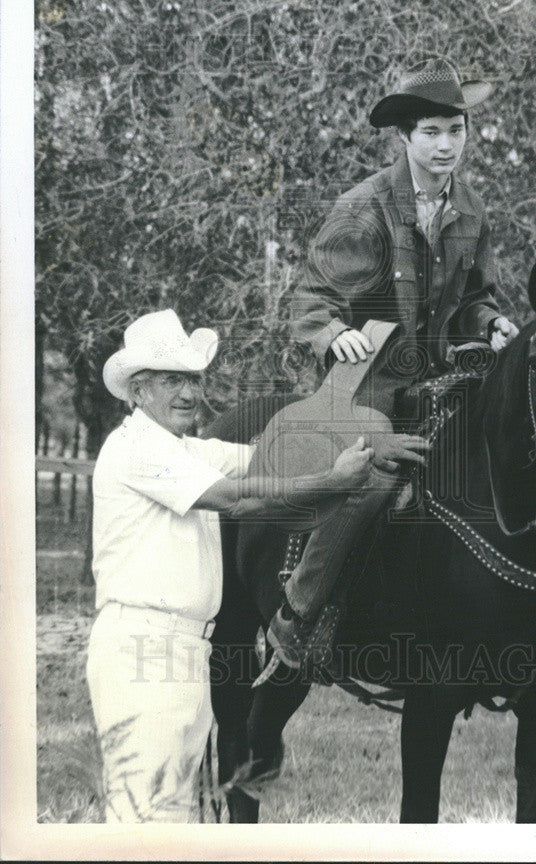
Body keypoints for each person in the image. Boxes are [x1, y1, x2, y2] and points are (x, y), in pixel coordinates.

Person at [87, 308, 395, 822]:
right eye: (171, 381)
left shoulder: (186, 450)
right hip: (142, 651)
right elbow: (240, 498)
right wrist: (335, 483)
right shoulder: (136, 451)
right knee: (144, 824)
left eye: (193, 379)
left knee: (177, 819)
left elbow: (272, 456)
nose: (189, 393)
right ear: (137, 391)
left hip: (185, 650)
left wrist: (367, 437)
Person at [266, 57, 518, 665]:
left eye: (455, 131)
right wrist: (330, 334)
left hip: (440, 380)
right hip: (368, 386)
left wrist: (492, 323)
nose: (445, 145)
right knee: (374, 474)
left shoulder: (473, 211)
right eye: (430, 132)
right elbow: (311, 298)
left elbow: (475, 299)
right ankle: (297, 614)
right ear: (404, 137)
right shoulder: (364, 208)